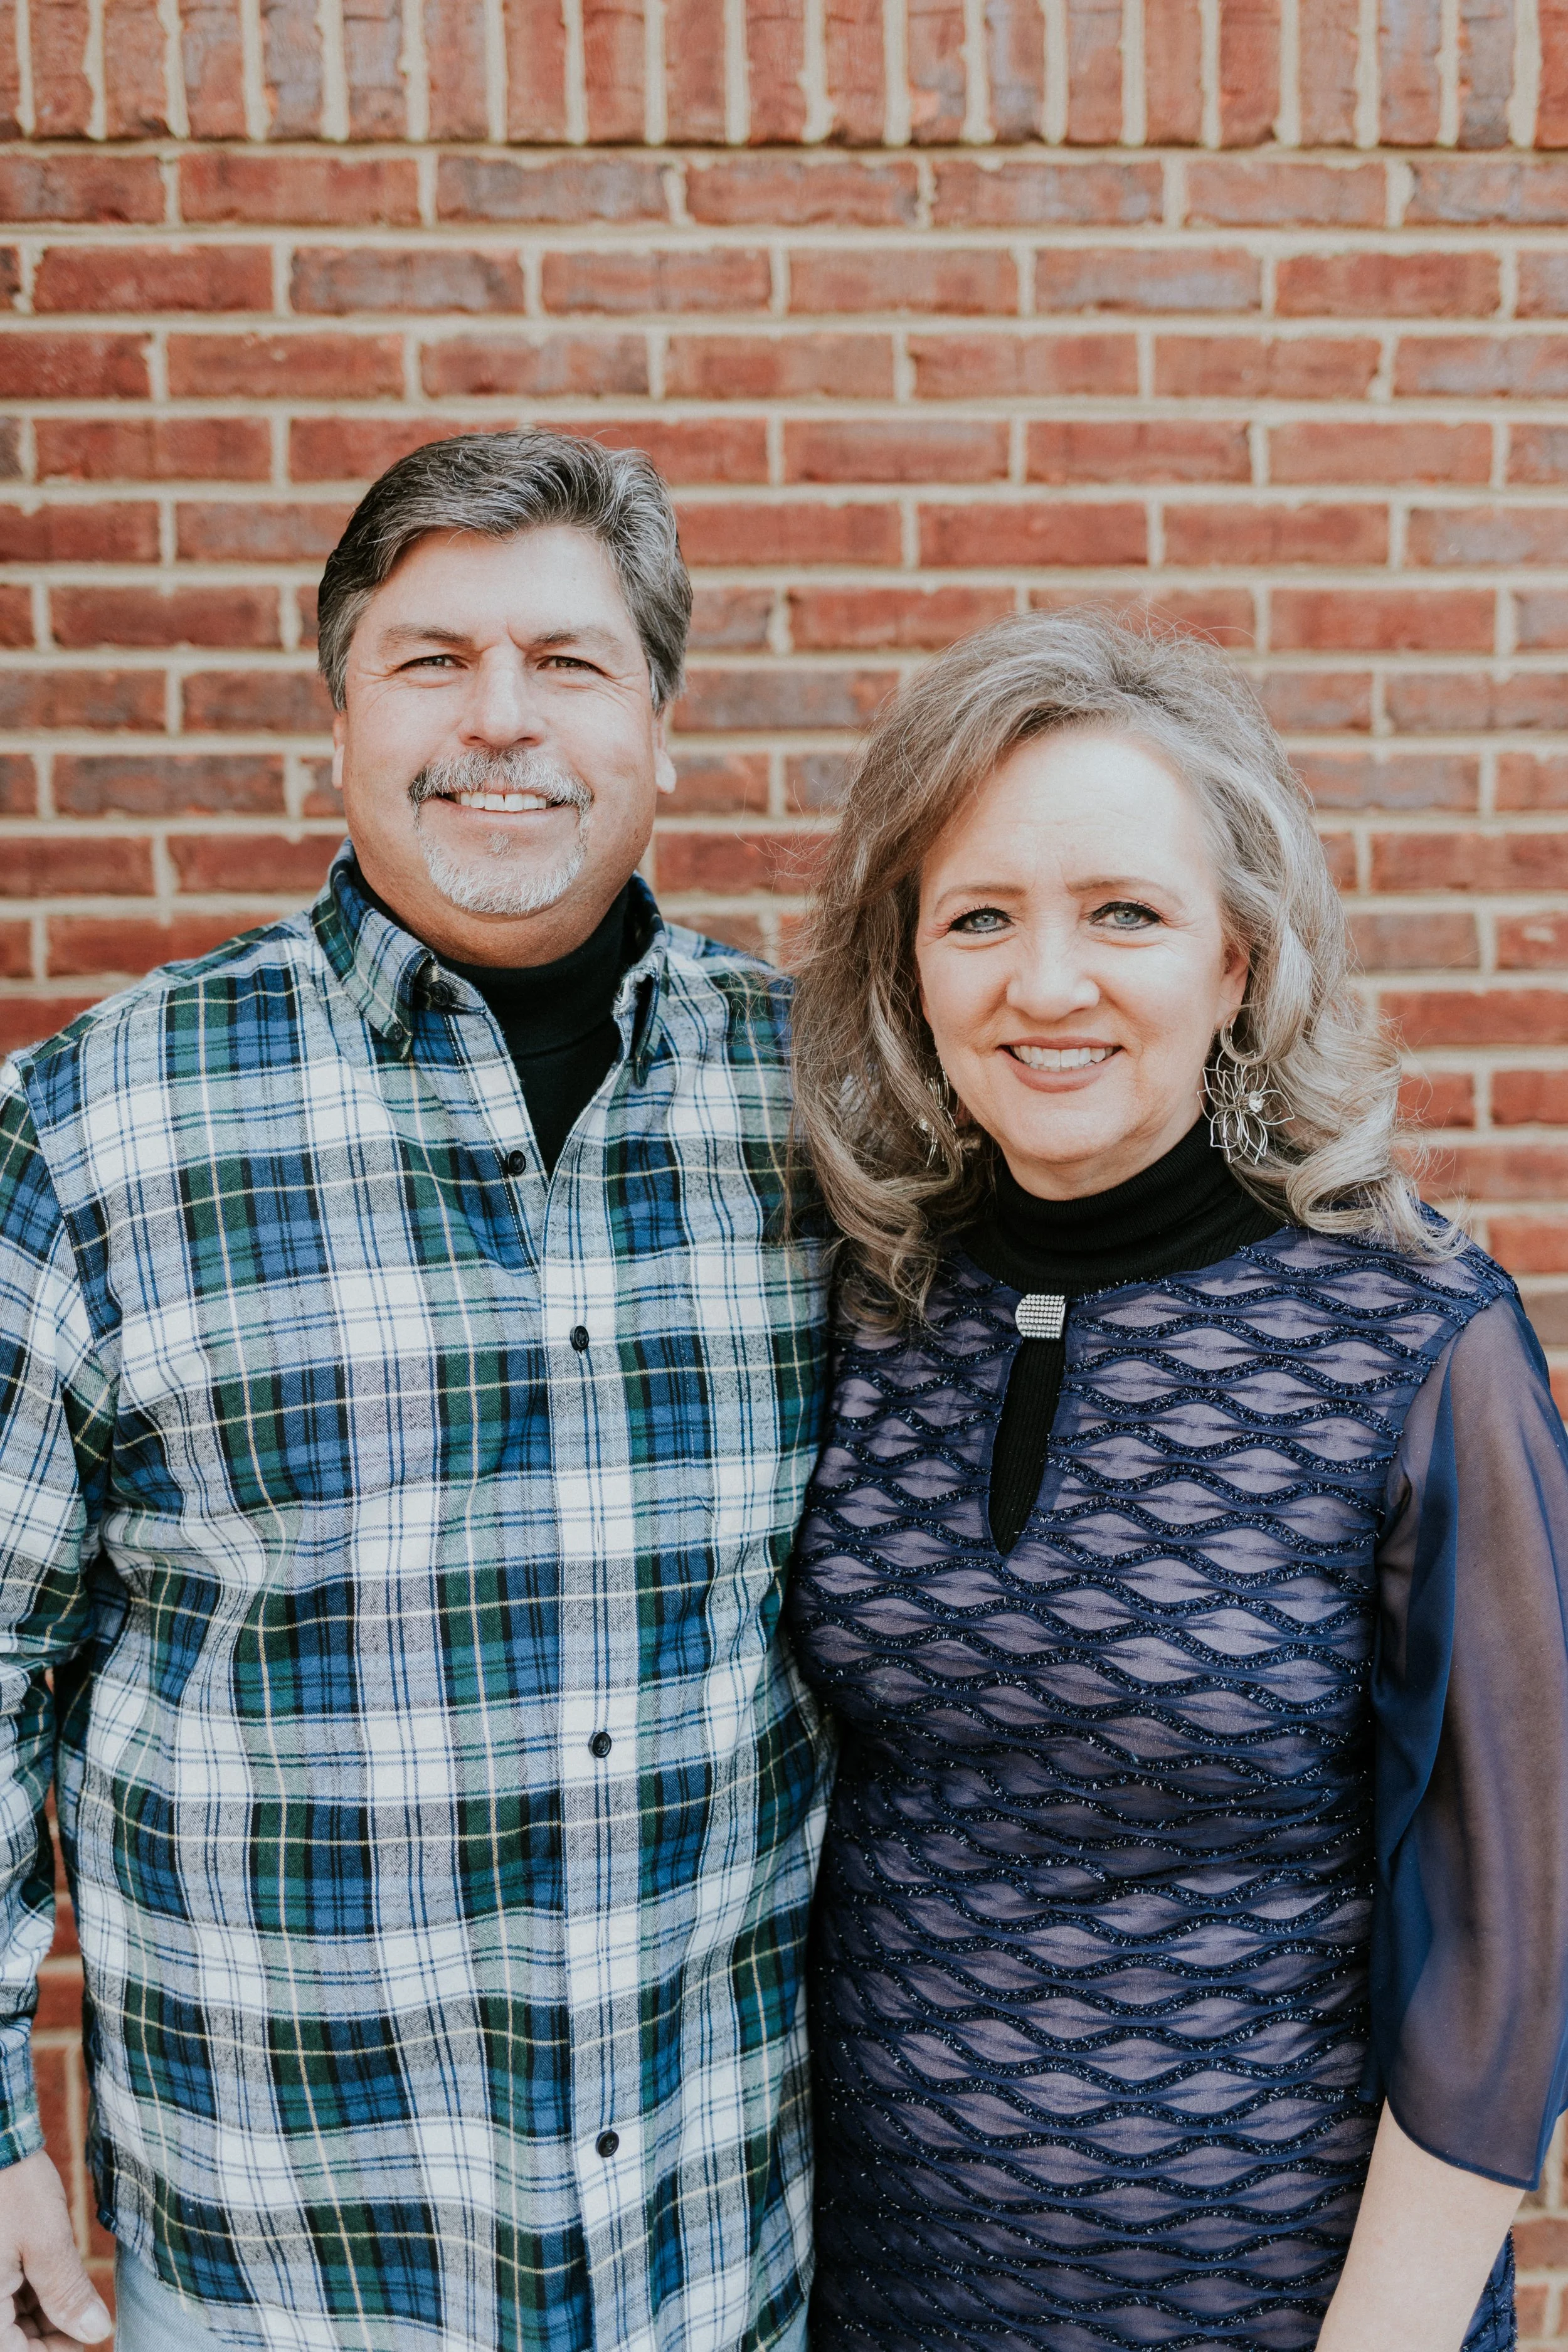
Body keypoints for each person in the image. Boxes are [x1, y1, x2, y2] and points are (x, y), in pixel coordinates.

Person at [0, 429, 832, 2352]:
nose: (499, 722)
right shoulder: (94, 1125)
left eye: (566, 661)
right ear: (344, 711)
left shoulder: (823, 1113)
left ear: (660, 726)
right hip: (289, 2269)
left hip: (724, 2258)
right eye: (432, 659)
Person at [786, 610, 1568, 2352]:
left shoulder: (1417, 1340)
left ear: (1236, 962)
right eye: (978, 915)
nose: (1043, 983)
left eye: (1122, 913)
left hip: (1282, 2309)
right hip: (883, 2308)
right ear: (907, 964)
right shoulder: (858, 1307)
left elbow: (1512, 1939)